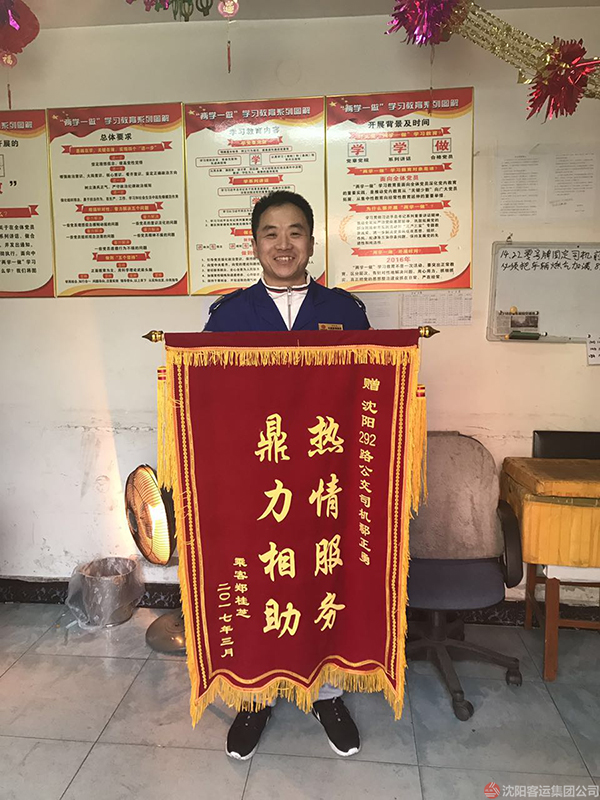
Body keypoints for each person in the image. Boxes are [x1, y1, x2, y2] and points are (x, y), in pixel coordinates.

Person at [204, 190, 370, 761]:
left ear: (312, 242)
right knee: (260, 584)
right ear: (254, 245)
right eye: (270, 233)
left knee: (322, 583)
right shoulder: (229, 315)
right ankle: (255, 695)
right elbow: (209, 404)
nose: (283, 244)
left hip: (325, 479)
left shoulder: (346, 310)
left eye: (295, 232)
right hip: (256, 482)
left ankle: (327, 695)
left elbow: (365, 396)